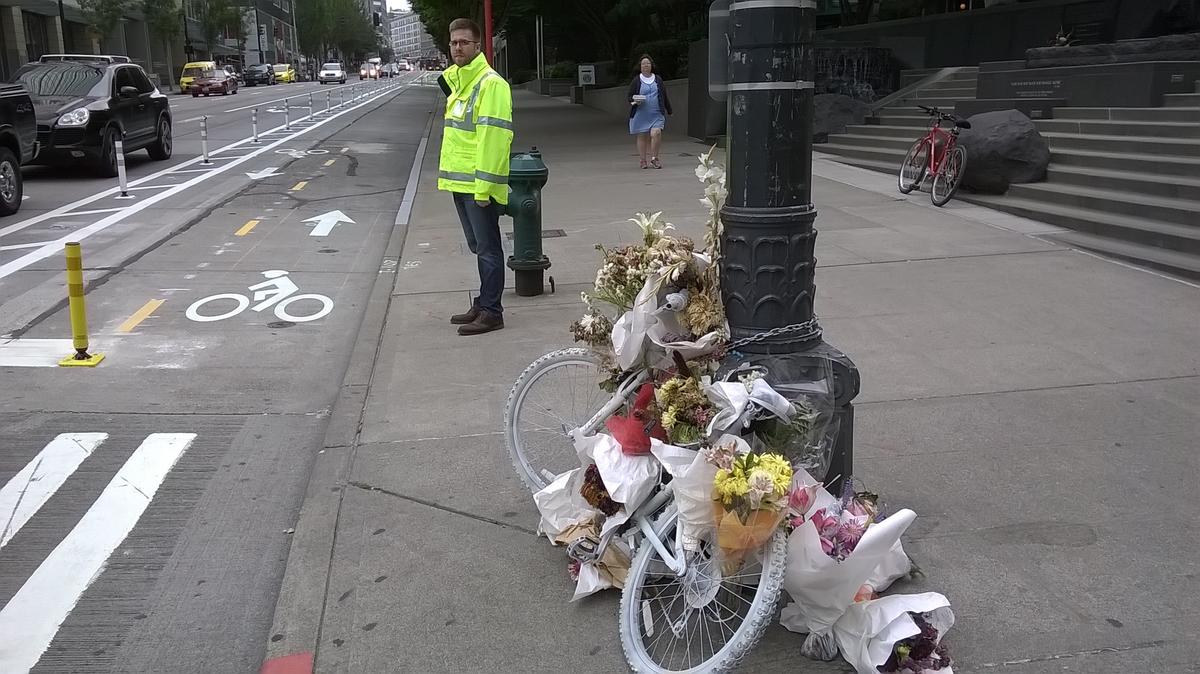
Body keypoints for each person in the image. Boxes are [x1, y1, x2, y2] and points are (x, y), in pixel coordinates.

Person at [437, 18, 514, 336]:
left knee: (489, 248)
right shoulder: (461, 82)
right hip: (461, 181)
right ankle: (484, 301)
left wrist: (484, 188)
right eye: (454, 42)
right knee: (477, 246)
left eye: (464, 42)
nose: (457, 47)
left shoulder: (490, 83)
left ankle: (492, 311)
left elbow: (494, 139)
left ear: (478, 45)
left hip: (478, 185)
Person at [627, 55, 673, 169]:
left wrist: (669, 109)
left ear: (651, 66)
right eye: (643, 64)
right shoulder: (636, 80)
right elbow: (629, 96)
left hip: (656, 113)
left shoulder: (658, 79)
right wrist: (635, 100)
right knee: (642, 136)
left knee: (656, 133)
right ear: (640, 67)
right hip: (641, 113)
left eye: (648, 63)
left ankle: (654, 159)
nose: (646, 65)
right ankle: (643, 160)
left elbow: (664, 95)